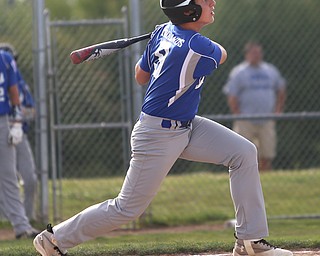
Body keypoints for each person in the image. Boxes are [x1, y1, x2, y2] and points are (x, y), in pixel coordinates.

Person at [33, 1, 292, 256]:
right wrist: (172, 35)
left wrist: (165, 35)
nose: (212, 2)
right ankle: (54, 239)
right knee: (126, 209)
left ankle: (250, 241)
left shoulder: (165, 33)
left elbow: (140, 75)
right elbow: (222, 54)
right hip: (158, 134)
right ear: (188, 10)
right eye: (204, 0)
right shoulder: (196, 45)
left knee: (244, 152)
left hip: (186, 125)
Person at [223, 41, 286, 171]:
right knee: (243, 153)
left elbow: (281, 89)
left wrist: (278, 109)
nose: (256, 55)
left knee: (267, 154)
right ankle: (247, 178)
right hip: (245, 119)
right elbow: (232, 94)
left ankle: (266, 179)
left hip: (267, 118)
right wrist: (237, 114)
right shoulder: (239, 72)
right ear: (246, 54)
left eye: (258, 52)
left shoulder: (270, 70)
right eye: (253, 53)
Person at [0, 47, 39, 238]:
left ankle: (23, 224)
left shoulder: (5, 62)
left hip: (7, 123)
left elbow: (18, 97)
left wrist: (16, 122)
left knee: (14, 177)